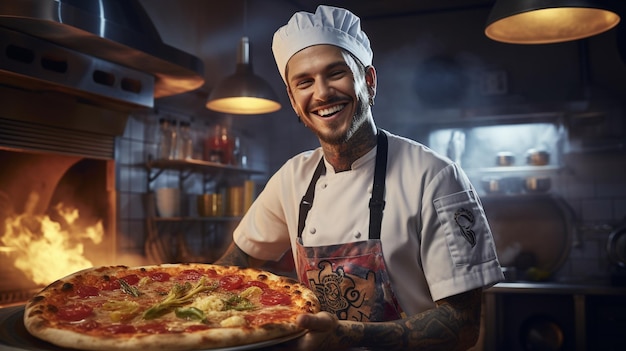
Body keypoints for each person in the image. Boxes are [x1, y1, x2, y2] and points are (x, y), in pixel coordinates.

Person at [215, 5, 504, 350]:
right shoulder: (292, 178)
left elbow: (463, 325)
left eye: (335, 73)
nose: (321, 93)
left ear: (368, 81)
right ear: (293, 100)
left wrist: (344, 334)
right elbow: (230, 270)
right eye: (304, 82)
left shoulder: (435, 177)